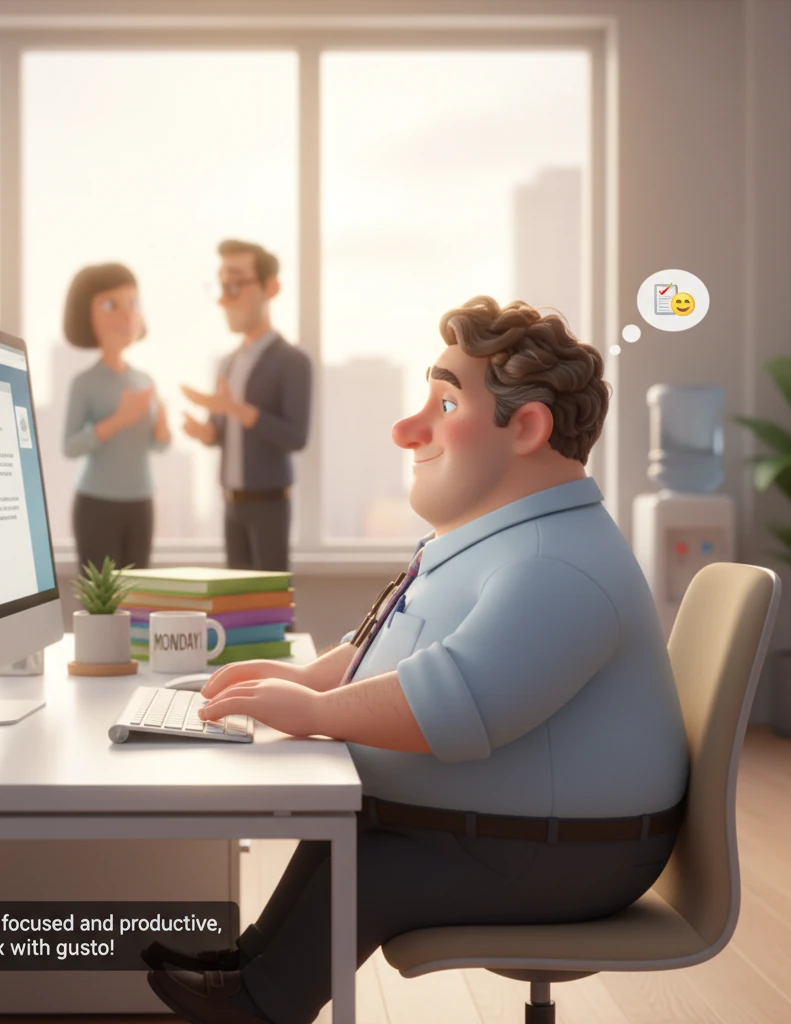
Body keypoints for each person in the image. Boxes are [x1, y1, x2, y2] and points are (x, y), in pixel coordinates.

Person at [145, 296, 690, 1024]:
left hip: (571, 855)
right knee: (347, 824)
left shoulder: (558, 566)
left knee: (377, 869)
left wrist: (312, 713)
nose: (409, 430)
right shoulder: (499, 542)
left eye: (443, 401)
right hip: (530, 827)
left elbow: (454, 697)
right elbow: (398, 643)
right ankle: (251, 963)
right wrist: (310, 679)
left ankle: (260, 1006)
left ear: (527, 427)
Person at [181, 240, 312, 572]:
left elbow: (296, 437)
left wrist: (240, 410)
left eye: (235, 284)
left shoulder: (292, 361)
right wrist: (204, 431)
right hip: (230, 502)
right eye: (222, 286)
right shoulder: (226, 363)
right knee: (235, 600)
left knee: (270, 600)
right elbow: (219, 432)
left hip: (270, 503)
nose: (225, 298)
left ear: (271, 287)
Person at [62, 262, 170, 571]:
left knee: (138, 595)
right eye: (111, 304)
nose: (126, 314)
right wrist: (116, 422)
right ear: (86, 315)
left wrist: (162, 429)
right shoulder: (85, 383)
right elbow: (70, 447)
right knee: (102, 600)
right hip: (97, 505)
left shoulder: (145, 381)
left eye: (132, 303)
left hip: (142, 503)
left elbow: (157, 446)